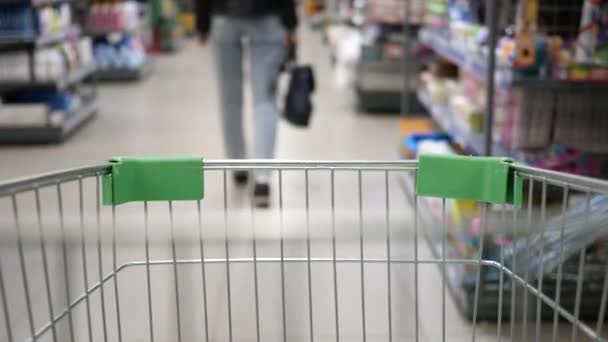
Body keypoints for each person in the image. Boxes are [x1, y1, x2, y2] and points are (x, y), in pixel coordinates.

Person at [195, 0, 298, 207]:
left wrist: (202, 22)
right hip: (267, 17)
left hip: (222, 16)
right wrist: (290, 23)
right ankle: (262, 179)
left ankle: (238, 165)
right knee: (265, 99)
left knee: (229, 100)